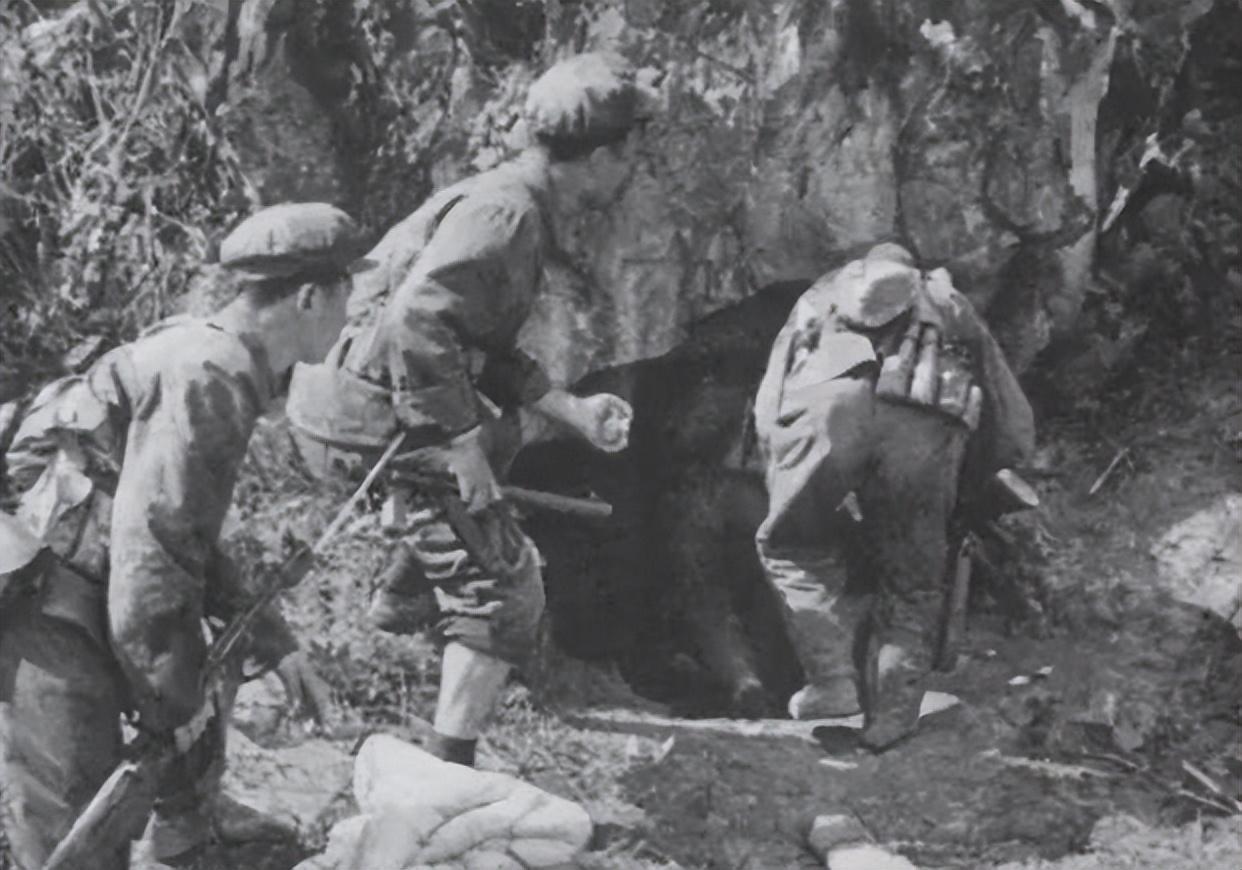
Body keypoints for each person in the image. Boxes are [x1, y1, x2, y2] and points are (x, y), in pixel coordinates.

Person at [286, 51, 656, 768]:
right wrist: (459, 447)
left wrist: (571, 411)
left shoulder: (505, 197)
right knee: (510, 591)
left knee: (501, 433)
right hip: (360, 416)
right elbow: (417, 325)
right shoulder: (507, 216)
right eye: (630, 152)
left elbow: (469, 341)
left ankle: (403, 597)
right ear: (601, 157)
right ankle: (445, 771)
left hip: (347, 397)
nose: (632, 168)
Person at [0, 202, 359, 869]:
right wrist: (172, 703)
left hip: (74, 572)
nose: (351, 318)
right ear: (311, 298)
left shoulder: (210, 352)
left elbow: (184, 532)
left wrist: (273, 644)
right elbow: (154, 556)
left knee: (111, 793)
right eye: (347, 296)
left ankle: (182, 827)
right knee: (73, 831)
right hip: (49, 595)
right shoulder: (210, 371)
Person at [752, 242, 1035, 750]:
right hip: (923, 426)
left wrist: (782, 470)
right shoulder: (947, 302)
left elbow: (771, 396)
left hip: (827, 412)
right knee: (913, 583)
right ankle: (891, 718)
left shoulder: (822, 294)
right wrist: (986, 469)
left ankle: (832, 680)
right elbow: (1005, 407)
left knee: (790, 544)